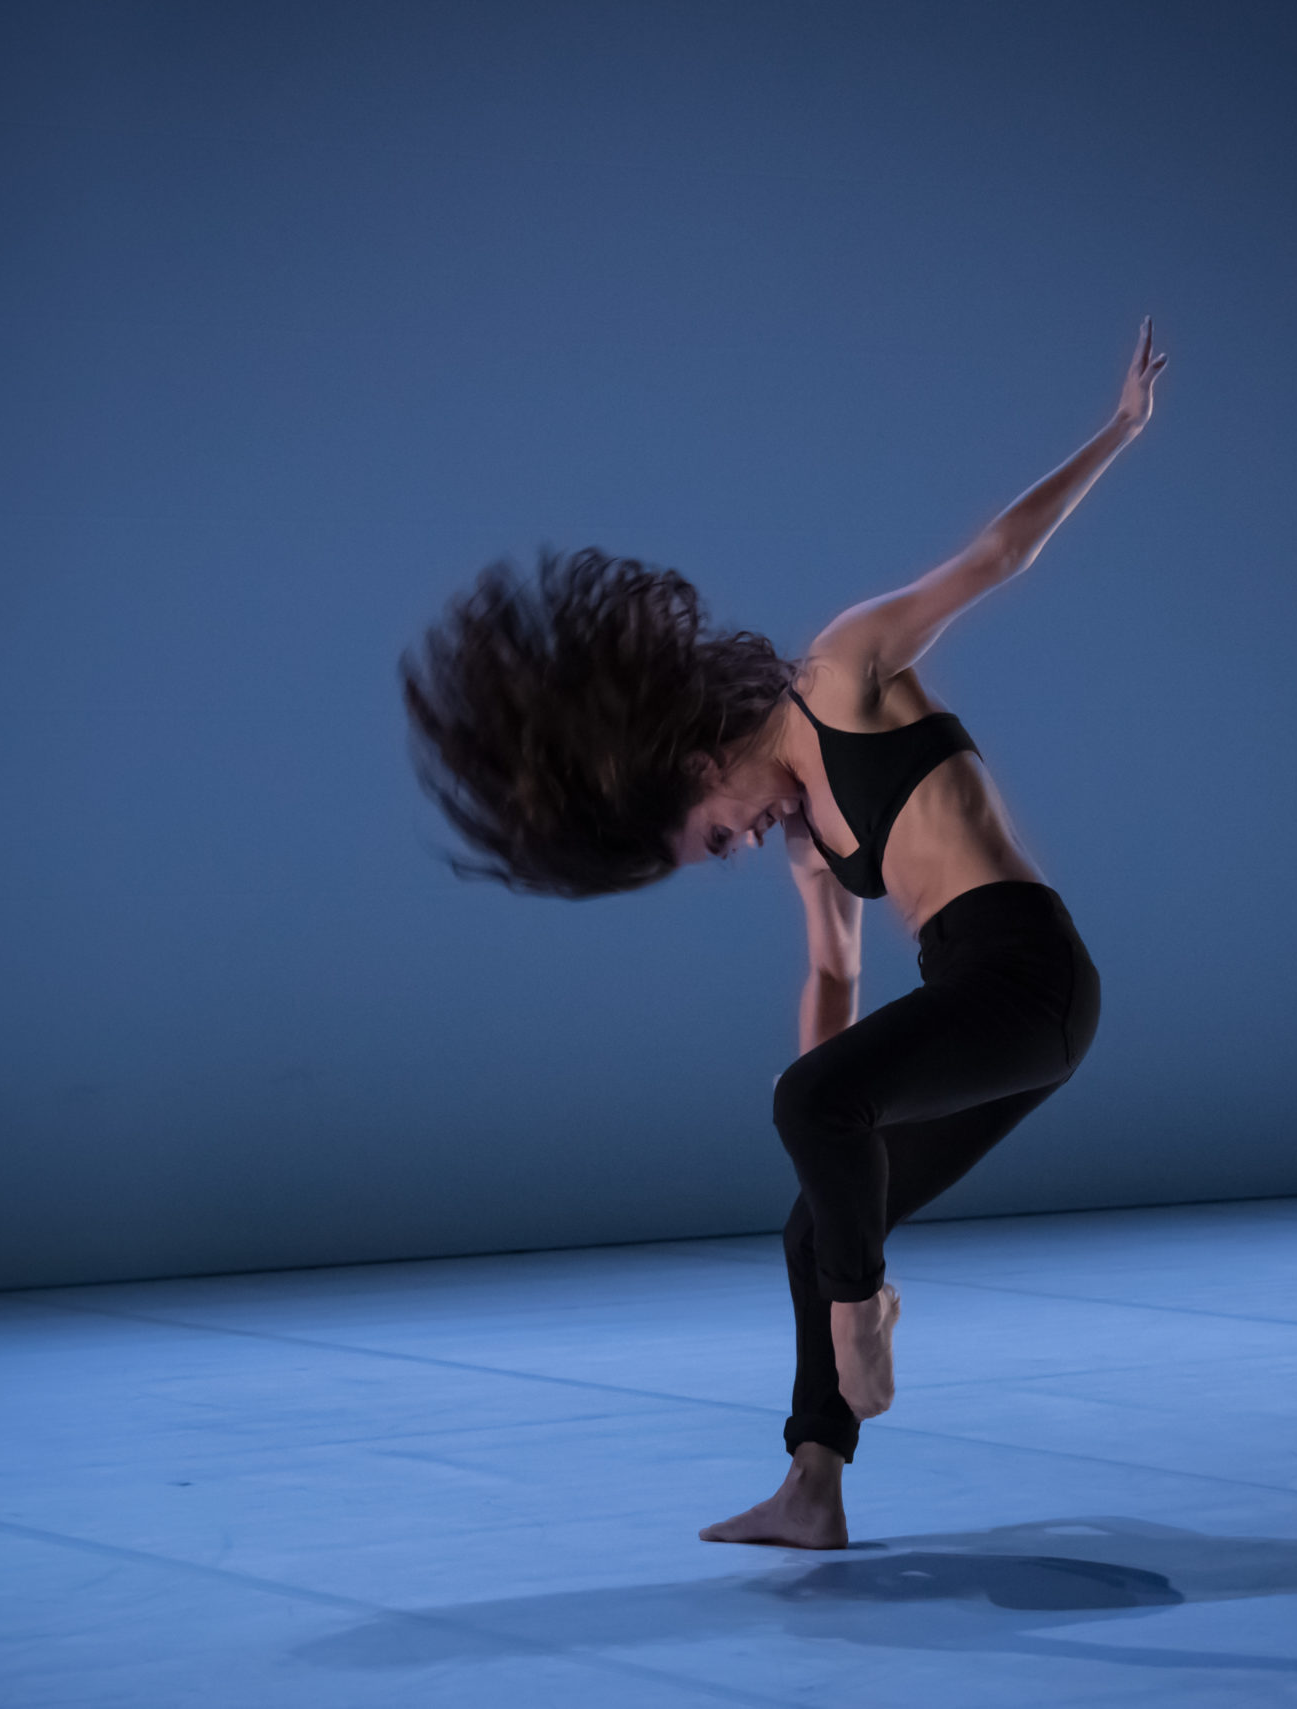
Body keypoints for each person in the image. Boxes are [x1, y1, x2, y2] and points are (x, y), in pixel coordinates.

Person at [401, 320, 1167, 1549]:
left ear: (698, 761)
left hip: (1030, 973)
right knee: (812, 1218)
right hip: (978, 1006)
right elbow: (832, 971)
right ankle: (813, 1486)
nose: (743, 843)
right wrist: (824, 1129)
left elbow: (996, 553)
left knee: (817, 1125)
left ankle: (865, 1315)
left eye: (714, 833)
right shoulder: (812, 836)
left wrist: (1116, 431)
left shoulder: (846, 671)